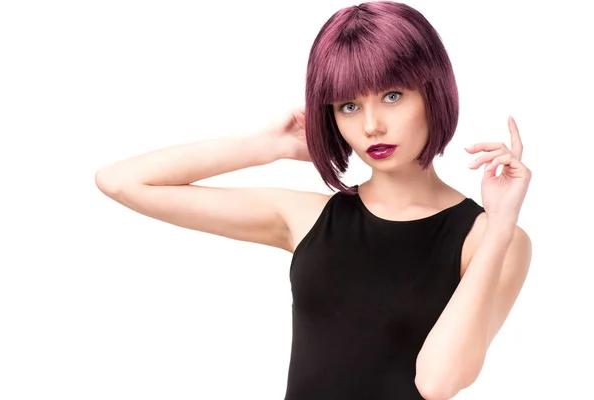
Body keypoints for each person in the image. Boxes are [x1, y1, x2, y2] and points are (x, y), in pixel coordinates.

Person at [95, 1, 532, 399]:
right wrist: (267, 146)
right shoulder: (307, 218)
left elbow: (438, 382)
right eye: (347, 106)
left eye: (392, 96)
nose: (372, 125)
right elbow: (121, 182)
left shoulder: (492, 239)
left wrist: (500, 222)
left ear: (432, 94)